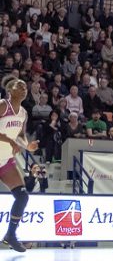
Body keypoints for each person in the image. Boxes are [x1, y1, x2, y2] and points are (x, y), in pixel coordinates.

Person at [0, 76, 39, 252]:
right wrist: (9, 140)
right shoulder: (3, 105)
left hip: (5, 160)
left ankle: (10, 235)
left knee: (22, 196)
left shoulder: (23, 113)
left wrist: (27, 144)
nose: (24, 88)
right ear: (10, 91)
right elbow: (10, 137)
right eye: (20, 86)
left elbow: (21, 135)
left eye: (25, 86)